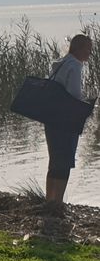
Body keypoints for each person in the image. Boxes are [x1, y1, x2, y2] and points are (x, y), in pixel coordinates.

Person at [44, 32, 93, 210]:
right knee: (64, 162)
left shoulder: (61, 63)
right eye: (88, 49)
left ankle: (49, 200)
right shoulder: (75, 66)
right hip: (64, 121)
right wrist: (87, 104)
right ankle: (58, 203)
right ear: (78, 49)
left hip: (51, 119)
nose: (89, 53)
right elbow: (74, 96)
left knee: (54, 161)